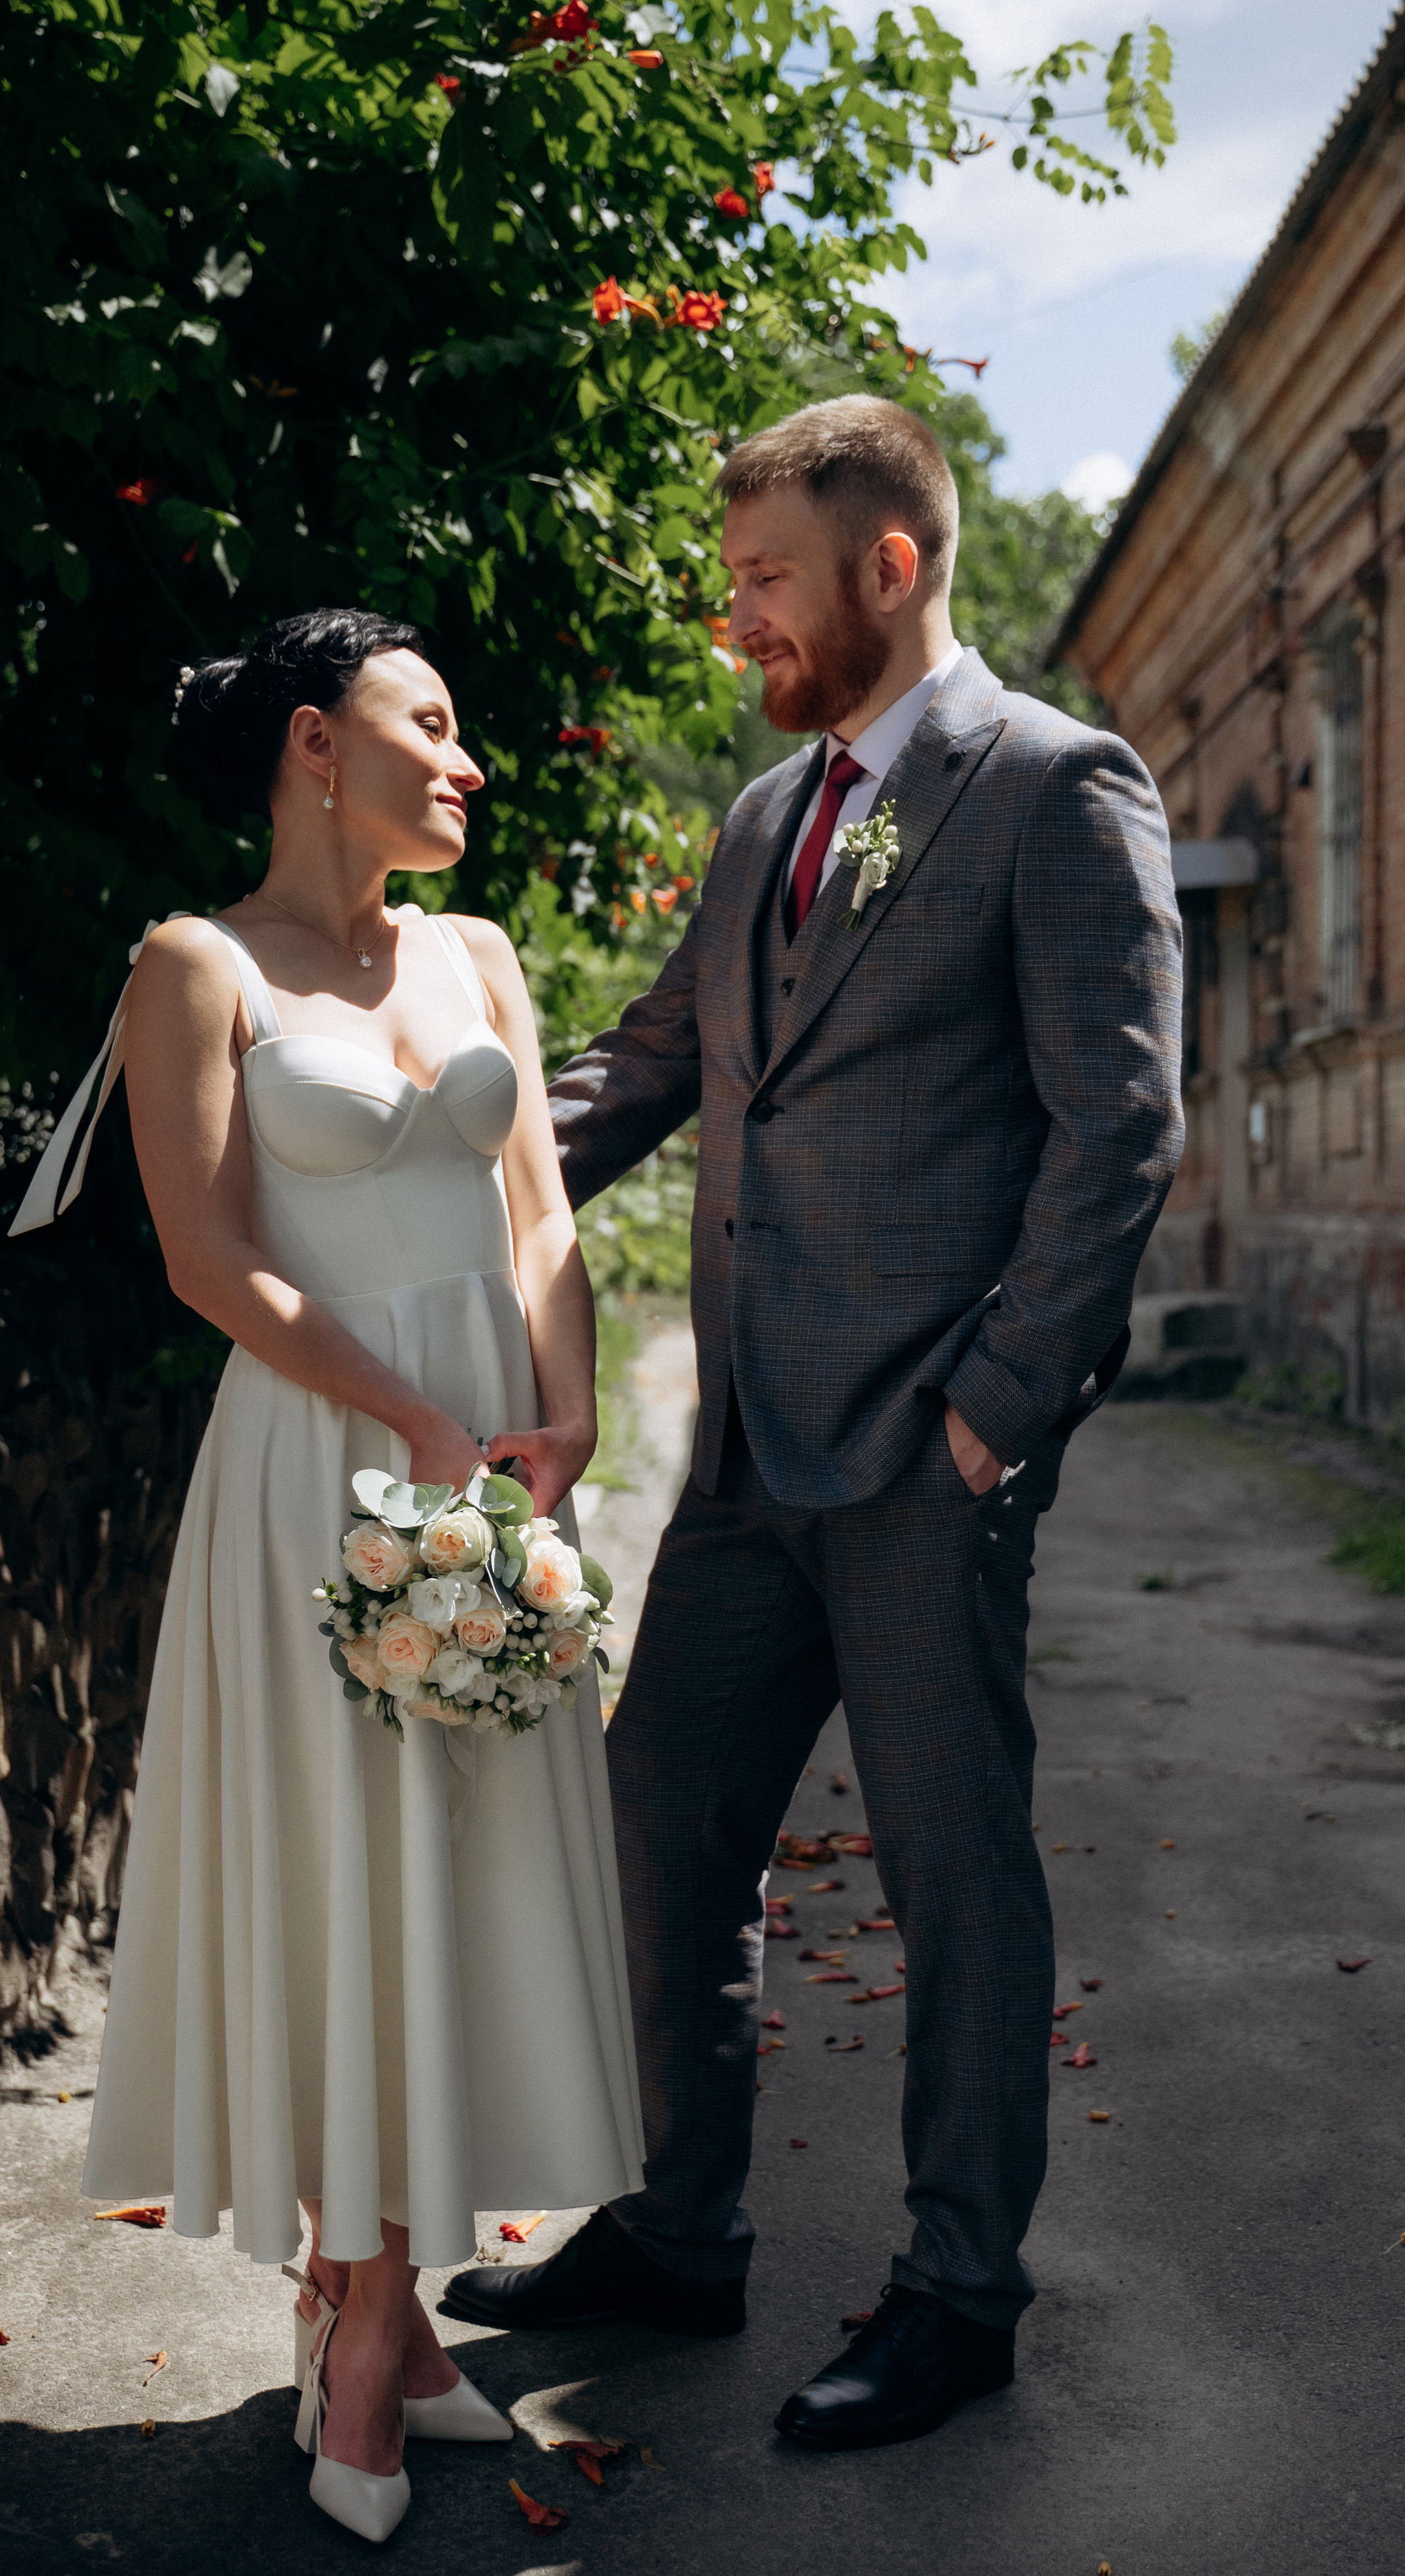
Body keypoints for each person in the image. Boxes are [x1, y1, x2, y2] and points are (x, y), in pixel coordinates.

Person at [441, 398, 1184, 2452]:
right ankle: (681, 2231)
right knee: (663, 1825)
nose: (738, 616)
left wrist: (1000, 1406)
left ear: (891, 562)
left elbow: (1120, 1129)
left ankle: (960, 2295)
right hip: (752, 1450)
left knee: (956, 1878)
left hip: (929, 1455)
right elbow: (653, 1061)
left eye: (766, 577)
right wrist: (425, 1183)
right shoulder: (771, 812)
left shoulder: (1056, 785)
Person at [10, 609, 643, 2543]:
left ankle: (384, 2320)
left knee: (457, 1871)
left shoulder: (478, 953)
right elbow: (208, 1258)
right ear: (314, 742)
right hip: (316, 1460)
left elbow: (537, 1216)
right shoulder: (192, 967)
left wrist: (562, 1416)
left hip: (487, 1466)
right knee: (342, 1872)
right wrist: (409, 1415)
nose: (466, 761)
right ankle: (370, 2333)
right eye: (426, 723)